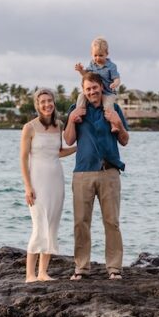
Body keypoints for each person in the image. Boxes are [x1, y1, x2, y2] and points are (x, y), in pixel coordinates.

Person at [64, 70, 130, 280]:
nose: (92, 91)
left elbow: (125, 140)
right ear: (83, 91)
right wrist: (72, 120)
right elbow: (68, 140)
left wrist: (117, 123)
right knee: (81, 222)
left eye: (94, 87)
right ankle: (81, 268)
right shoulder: (76, 109)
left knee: (112, 222)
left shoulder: (114, 108)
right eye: (88, 89)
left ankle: (114, 269)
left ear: (101, 87)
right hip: (82, 173)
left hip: (109, 172)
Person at [20, 88, 76, 282]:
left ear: (54, 102)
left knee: (52, 225)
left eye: (49, 101)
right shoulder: (30, 127)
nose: (47, 105)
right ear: (37, 105)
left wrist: (78, 147)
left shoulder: (59, 125)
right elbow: (23, 158)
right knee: (38, 225)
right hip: (37, 182)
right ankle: (29, 274)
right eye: (42, 101)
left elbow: (58, 152)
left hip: (56, 181)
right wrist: (28, 187)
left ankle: (43, 272)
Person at [75, 37, 122, 132]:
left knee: (108, 106)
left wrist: (115, 83)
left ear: (106, 54)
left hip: (107, 93)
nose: (97, 58)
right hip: (94, 91)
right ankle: (79, 115)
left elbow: (117, 78)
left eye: (101, 55)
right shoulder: (92, 64)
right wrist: (80, 70)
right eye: (95, 55)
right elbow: (86, 75)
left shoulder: (111, 66)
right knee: (81, 96)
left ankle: (113, 125)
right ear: (91, 54)